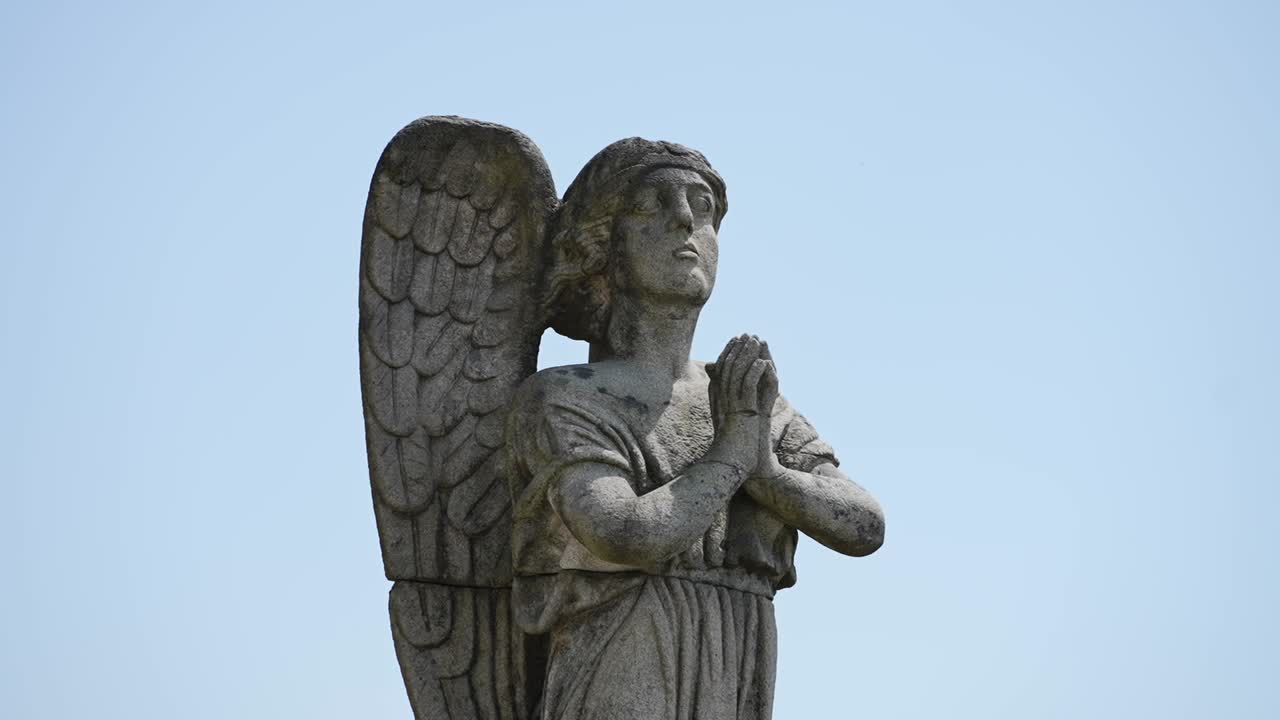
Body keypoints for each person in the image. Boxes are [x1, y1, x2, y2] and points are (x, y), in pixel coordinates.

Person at [504, 138, 885, 720]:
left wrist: (765, 470)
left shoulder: (744, 397)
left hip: (736, 655)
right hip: (624, 653)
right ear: (602, 244)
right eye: (652, 204)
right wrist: (735, 457)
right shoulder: (566, 397)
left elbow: (863, 525)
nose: (684, 218)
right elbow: (624, 532)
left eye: (702, 206)